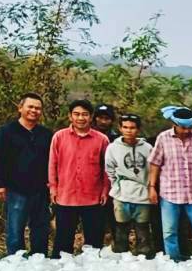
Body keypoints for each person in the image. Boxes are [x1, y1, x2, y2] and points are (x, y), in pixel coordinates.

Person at [148, 105, 192, 260]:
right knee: (169, 231)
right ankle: (173, 260)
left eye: (190, 127)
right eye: (183, 128)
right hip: (170, 193)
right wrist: (152, 187)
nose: (187, 131)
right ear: (174, 124)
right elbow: (155, 163)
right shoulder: (163, 138)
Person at [0, 93, 53, 256]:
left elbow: (53, 161)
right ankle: (16, 261)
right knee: (15, 228)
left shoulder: (46, 134)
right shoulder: (6, 132)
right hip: (16, 188)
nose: (34, 110)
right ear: (20, 108)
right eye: (30, 107)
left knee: (40, 227)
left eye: (38, 108)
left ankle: (39, 259)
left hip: (41, 189)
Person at [48, 99, 110, 256]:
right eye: (76, 114)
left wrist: (105, 190)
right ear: (70, 116)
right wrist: (53, 188)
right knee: (63, 239)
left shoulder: (102, 139)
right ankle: (61, 269)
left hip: (93, 197)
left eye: (84, 114)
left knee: (94, 240)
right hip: (66, 195)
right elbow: (52, 164)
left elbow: (107, 169)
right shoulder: (59, 137)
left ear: (91, 117)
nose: (80, 118)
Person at [105, 113, 154, 256]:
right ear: (120, 128)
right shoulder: (113, 148)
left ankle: (143, 257)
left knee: (143, 229)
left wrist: (149, 187)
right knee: (121, 228)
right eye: (125, 127)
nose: (128, 130)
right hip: (121, 195)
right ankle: (121, 255)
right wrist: (117, 185)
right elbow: (110, 169)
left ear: (138, 129)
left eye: (132, 128)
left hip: (142, 195)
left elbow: (152, 170)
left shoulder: (147, 148)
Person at [91, 103, 119, 245]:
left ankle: (120, 249)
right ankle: (94, 250)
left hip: (114, 185)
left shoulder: (117, 139)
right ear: (94, 118)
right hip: (93, 184)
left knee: (116, 220)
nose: (103, 121)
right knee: (96, 221)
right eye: (100, 118)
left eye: (106, 118)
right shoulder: (89, 136)